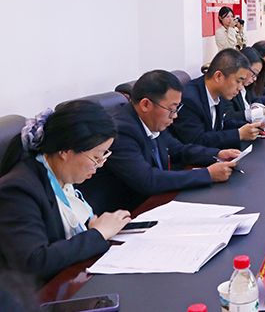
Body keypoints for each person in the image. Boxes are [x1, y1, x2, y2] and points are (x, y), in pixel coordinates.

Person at [0, 101, 131, 281]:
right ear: (65, 151)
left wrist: (94, 227)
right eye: (96, 157)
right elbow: (34, 262)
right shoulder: (18, 190)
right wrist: (98, 234)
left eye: (104, 156)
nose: (99, 165)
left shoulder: (60, 174)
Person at [81, 71, 240, 213]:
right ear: (146, 104)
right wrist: (207, 175)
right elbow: (147, 180)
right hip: (125, 214)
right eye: (172, 109)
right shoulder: (121, 131)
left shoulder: (152, 121)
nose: (175, 116)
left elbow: (178, 150)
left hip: (153, 203)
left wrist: (218, 154)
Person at [169, 48, 262, 149]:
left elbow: (224, 122)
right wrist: (238, 134)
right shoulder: (190, 100)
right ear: (218, 76)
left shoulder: (220, 94)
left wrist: (251, 127)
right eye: (238, 81)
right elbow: (196, 141)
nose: (240, 88)